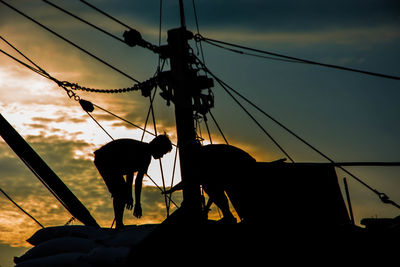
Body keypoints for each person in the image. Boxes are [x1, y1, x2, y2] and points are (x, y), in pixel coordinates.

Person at [164, 142, 257, 224]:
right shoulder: (206, 154)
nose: (189, 159)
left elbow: (212, 186)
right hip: (243, 165)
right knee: (211, 184)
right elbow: (194, 180)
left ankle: (230, 217)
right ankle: (230, 216)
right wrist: (173, 189)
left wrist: (206, 209)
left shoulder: (206, 157)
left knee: (211, 185)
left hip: (243, 167)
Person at [94, 134, 172, 229]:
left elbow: (132, 176)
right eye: (162, 153)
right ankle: (119, 224)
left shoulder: (145, 153)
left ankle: (119, 224)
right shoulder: (144, 153)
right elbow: (135, 178)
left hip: (109, 161)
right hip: (105, 159)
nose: (162, 156)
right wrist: (134, 201)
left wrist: (132, 198)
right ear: (158, 148)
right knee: (120, 192)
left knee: (122, 191)